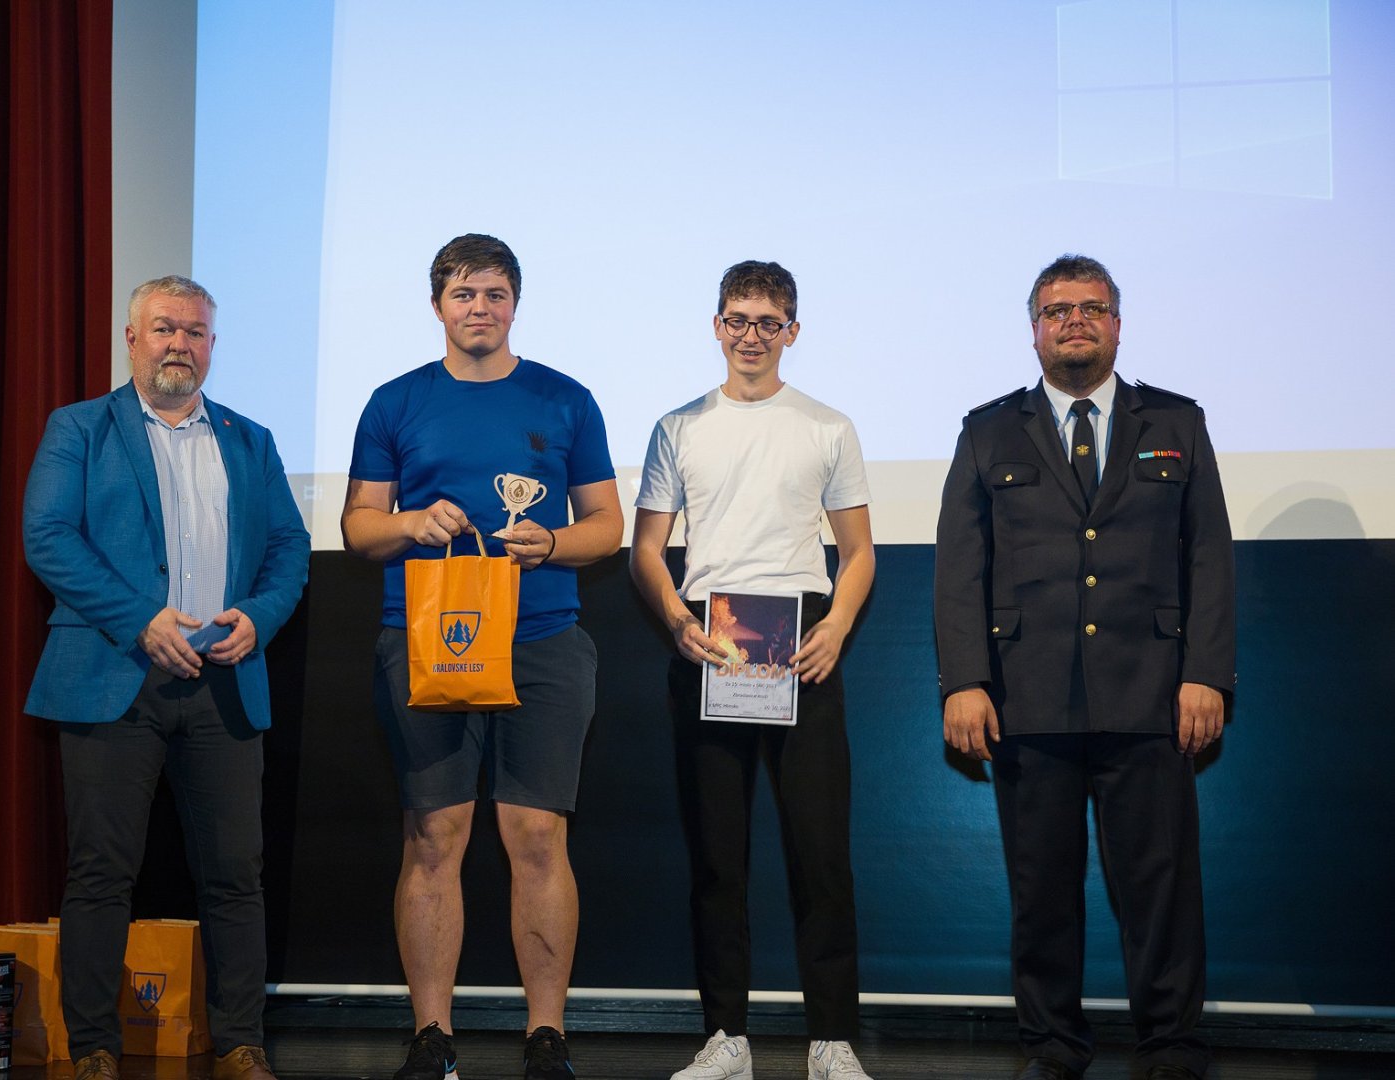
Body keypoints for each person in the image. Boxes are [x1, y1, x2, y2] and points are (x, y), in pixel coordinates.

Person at [934, 255, 1236, 1080]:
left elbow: (1208, 555)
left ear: (1117, 325)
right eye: (1057, 309)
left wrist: (1206, 673)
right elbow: (960, 568)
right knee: (1041, 893)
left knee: (1161, 891)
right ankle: (1053, 1047)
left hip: (1153, 697)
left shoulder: (1176, 423)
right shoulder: (987, 430)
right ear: (1033, 329)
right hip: (1027, 699)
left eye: (1092, 308)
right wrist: (965, 680)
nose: (1075, 321)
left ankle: (1171, 1047)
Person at [342, 234, 623, 1080]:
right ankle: (432, 1037)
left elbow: (608, 527)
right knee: (435, 835)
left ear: (515, 305)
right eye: (464, 294)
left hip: (543, 640)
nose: (480, 308)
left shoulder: (566, 399)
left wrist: (554, 543)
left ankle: (547, 1037)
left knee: (537, 835)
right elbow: (359, 527)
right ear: (437, 305)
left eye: (496, 294)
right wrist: (410, 523)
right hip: (428, 638)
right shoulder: (394, 402)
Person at [23, 275, 310, 1080]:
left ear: (212, 345)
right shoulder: (80, 428)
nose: (179, 343)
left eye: (194, 331)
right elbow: (48, 537)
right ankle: (93, 1049)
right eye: (163, 328)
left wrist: (260, 615)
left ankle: (241, 1043)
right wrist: (139, 619)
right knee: (101, 872)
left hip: (224, 680)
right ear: (132, 338)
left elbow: (289, 547)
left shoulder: (251, 439)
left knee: (235, 875)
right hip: (114, 676)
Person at [630, 261, 879, 1080]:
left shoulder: (827, 426)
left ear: (792, 332)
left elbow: (858, 550)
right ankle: (725, 1038)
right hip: (711, 642)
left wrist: (836, 627)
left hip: (802, 645)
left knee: (820, 854)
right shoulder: (677, 427)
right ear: (716, 326)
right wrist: (678, 621)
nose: (751, 336)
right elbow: (646, 549)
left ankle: (831, 1041)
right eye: (737, 319)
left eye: (768, 322)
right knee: (717, 856)